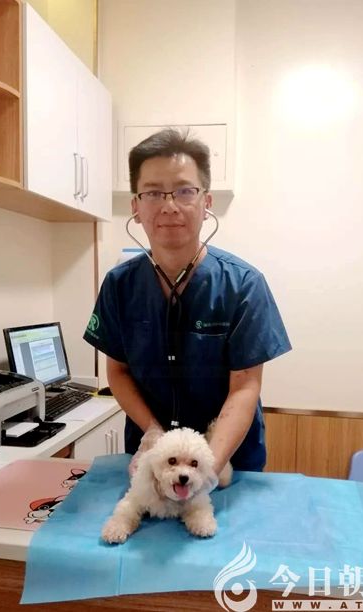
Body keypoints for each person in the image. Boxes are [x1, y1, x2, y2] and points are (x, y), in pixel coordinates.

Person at [84, 128, 291, 476]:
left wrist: (206, 468)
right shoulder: (119, 285)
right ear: (135, 207)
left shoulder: (243, 285)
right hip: (153, 458)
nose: (169, 206)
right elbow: (117, 370)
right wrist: (152, 431)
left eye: (184, 191)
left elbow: (245, 385)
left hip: (228, 463)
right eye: (153, 192)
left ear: (206, 202)